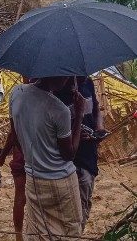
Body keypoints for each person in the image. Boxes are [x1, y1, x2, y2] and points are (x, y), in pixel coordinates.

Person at [10, 77, 85, 240]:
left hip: (34, 180)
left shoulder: (16, 93)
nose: (67, 81)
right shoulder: (59, 110)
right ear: (54, 74)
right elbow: (69, 154)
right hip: (62, 181)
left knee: (38, 233)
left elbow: (15, 137)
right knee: (68, 232)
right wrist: (79, 116)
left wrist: (35, 154)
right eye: (64, 76)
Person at [55, 76, 107, 231]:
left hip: (90, 156)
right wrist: (76, 123)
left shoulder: (88, 83)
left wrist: (99, 128)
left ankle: (77, 233)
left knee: (85, 202)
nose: (85, 75)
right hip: (72, 160)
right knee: (74, 209)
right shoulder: (58, 92)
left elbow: (96, 109)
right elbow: (55, 130)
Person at [0, 76, 32, 241]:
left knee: (20, 195)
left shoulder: (16, 93)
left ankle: (18, 235)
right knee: (32, 196)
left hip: (22, 152)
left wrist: (2, 156)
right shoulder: (49, 94)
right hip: (39, 154)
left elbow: (13, 132)